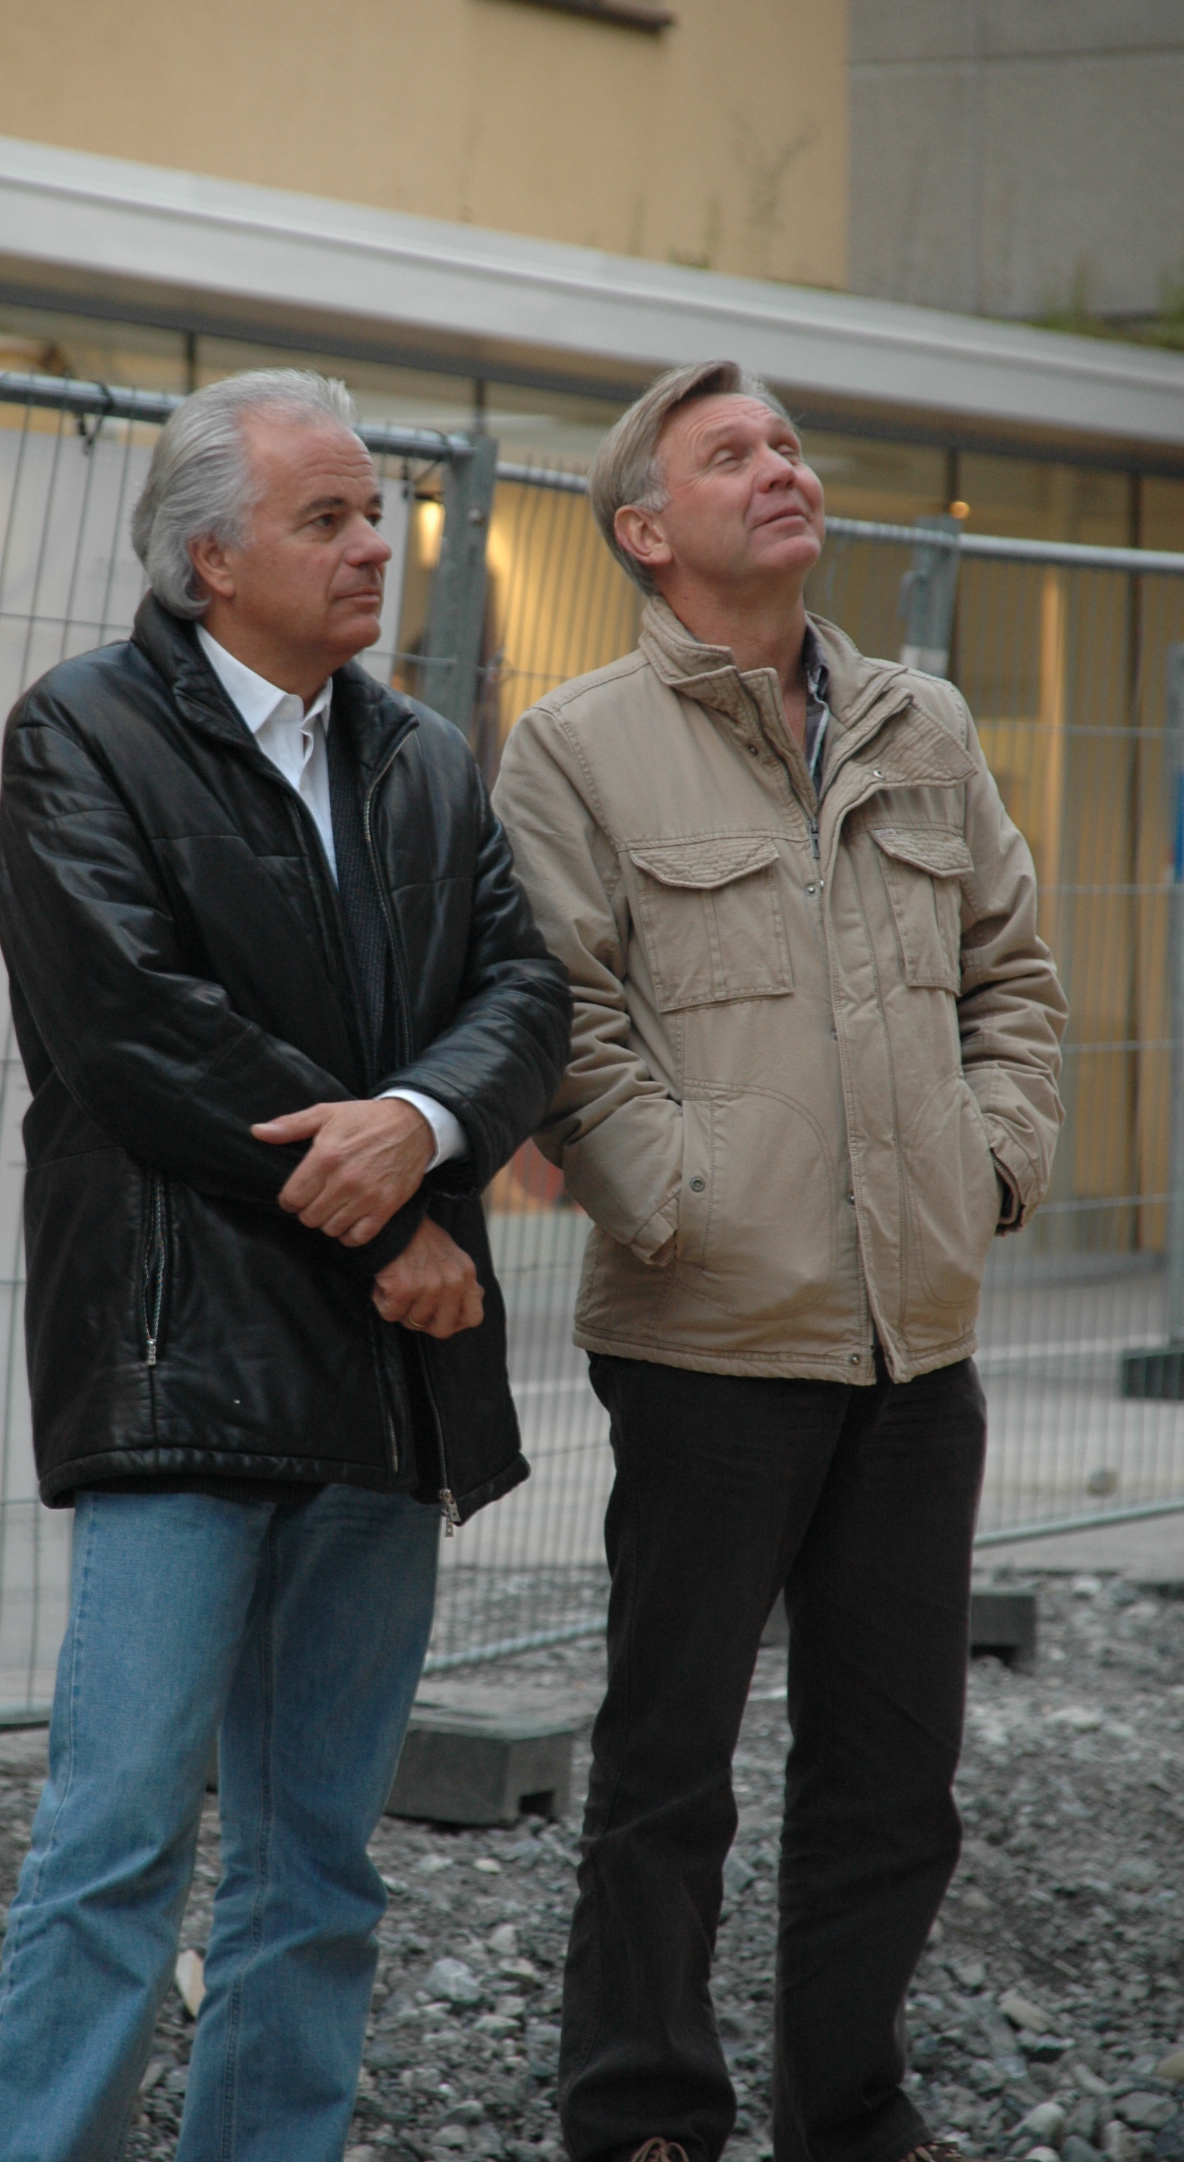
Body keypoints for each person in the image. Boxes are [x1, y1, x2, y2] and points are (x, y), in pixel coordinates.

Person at [0, 369, 571, 2162]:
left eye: (377, 510)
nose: (374, 544)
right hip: (190, 1368)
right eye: (327, 517)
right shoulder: (82, 731)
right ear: (210, 560)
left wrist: (423, 1117)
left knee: (318, 1865)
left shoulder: (425, 759)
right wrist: (397, 1203)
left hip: (383, 1387)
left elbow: (524, 992)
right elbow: (133, 1026)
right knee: (116, 1845)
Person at [492, 360, 1066, 2162]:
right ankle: (643, 2115)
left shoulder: (923, 725)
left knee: (894, 1781)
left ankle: (850, 2110)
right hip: (709, 1341)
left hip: (918, 1344)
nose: (782, 469)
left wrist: (993, 1161)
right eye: (730, 454)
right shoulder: (573, 748)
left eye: (790, 445)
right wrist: (684, 1203)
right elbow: (564, 1021)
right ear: (646, 531)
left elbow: (1013, 977)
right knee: (668, 1771)